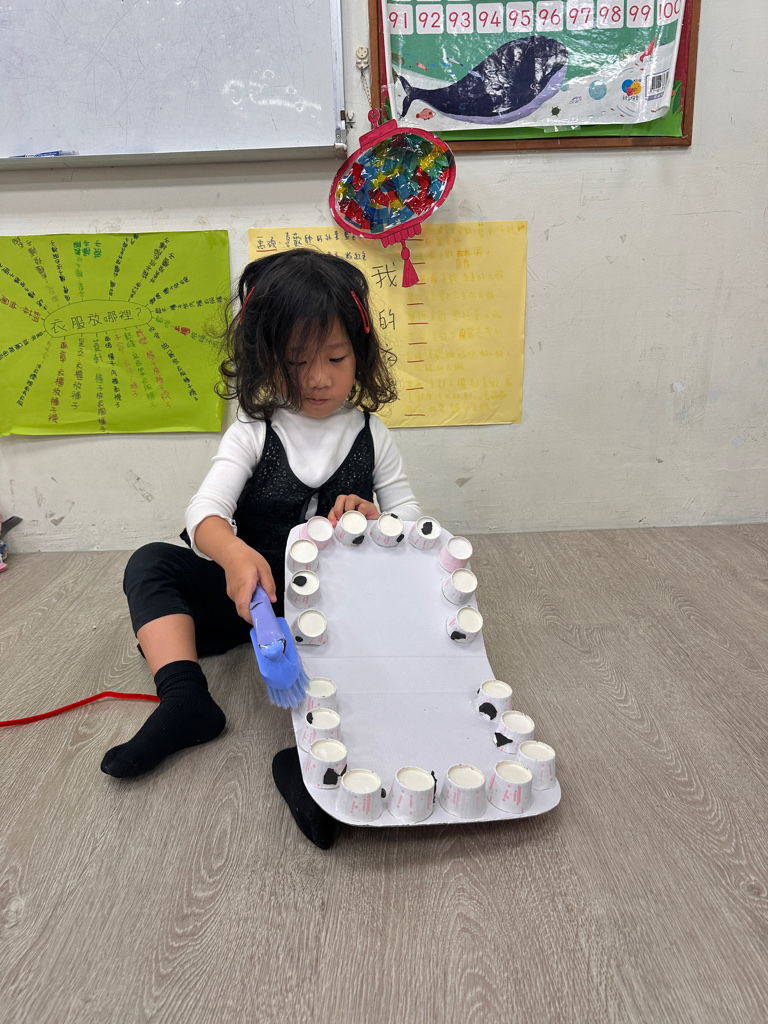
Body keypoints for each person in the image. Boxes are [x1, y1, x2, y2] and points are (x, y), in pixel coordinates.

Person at [101, 248, 421, 849]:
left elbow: (415, 522)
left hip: (335, 611)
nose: (318, 378)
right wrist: (232, 554)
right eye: (296, 361)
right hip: (251, 602)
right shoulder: (253, 431)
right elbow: (203, 513)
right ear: (264, 360)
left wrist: (379, 519)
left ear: (360, 352)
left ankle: (314, 766)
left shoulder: (372, 434)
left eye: (335, 358)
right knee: (151, 564)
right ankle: (185, 700)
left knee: (404, 633)